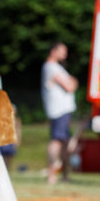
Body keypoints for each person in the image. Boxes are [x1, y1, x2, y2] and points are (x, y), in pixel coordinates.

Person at [40, 41, 78, 184]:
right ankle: (52, 175)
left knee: (64, 142)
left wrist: (72, 82)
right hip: (59, 110)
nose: (65, 54)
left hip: (62, 110)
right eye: (63, 51)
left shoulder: (55, 68)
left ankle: (64, 176)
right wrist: (73, 81)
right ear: (53, 51)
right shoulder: (51, 67)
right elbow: (69, 86)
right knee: (57, 141)